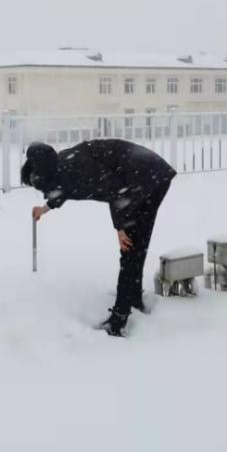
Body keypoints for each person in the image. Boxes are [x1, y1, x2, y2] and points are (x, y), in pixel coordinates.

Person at [21, 138, 176, 336]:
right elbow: (65, 189)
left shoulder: (76, 168)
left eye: (39, 186)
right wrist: (45, 208)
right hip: (146, 175)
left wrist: (120, 227)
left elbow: (115, 189)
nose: (41, 190)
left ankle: (118, 320)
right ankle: (133, 298)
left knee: (131, 247)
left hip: (144, 176)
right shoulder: (60, 165)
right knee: (137, 246)